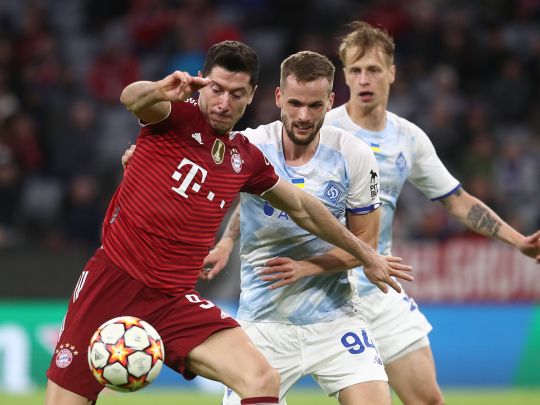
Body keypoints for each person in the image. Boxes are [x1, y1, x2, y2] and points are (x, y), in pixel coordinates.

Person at [45, 40, 405, 405]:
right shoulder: (173, 116)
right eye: (216, 89)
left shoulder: (244, 158)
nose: (223, 103)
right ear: (201, 81)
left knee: (260, 377)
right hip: (113, 283)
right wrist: (158, 89)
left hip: (174, 300)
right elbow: (131, 98)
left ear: (251, 96)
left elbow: (303, 207)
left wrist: (367, 255)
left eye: (236, 94)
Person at [261, 22, 540, 405]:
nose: (365, 79)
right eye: (356, 70)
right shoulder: (317, 127)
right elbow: (264, 190)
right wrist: (228, 243)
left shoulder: (408, 138)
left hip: (377, 285)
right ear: (345, 76)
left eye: (374, 69)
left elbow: (457, 200)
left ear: (392, 73)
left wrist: (518, 241)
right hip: (315, 288)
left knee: (428, 399)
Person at [195, 51, 413, 405]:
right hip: (263, 322)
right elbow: (246, 201)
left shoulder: (354, 155)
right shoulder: (251, 147)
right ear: (278, 97)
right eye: (295, 103)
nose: (303, 116)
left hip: (335, 318)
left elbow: (365, 243)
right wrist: (227, 242)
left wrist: (307, 267)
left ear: (330, 101)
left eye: (314, 106)